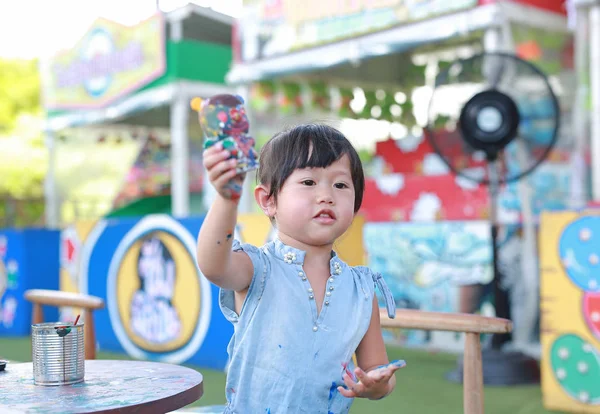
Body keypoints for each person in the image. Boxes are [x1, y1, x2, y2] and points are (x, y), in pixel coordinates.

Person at [197, 124, 403, 413]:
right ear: (268, 201)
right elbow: (213, 264)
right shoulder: (258, 268)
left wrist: (376, 384)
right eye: (309, 182)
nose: (327, 195)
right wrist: (226, 198)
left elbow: (376, 370)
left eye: (341, 185)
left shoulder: (361, 289)